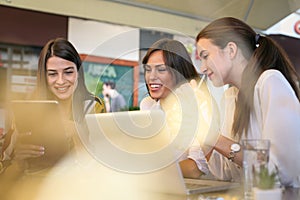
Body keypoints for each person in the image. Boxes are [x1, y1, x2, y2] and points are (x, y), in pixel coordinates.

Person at [195, 17, 300, 186]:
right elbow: (224, 172)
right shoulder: (230, 97)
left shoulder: (270, 82)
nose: (202, 68)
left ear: (231, 50)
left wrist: (214, 138)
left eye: (205, 56)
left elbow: (282, 174)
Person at [0, 38, 106, 197]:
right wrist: (19, 162)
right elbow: (6, 174)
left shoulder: (93, 108)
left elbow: (104, 168)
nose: (61, 81)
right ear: (44, 76)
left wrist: (77, 135)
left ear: (78, 72)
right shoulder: (29, 111)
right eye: (52, 74)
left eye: (68, 72)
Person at [140, 38, 219, 179]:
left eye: (161, 69)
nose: (152, 77)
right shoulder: (148, 105)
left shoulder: (200, 104)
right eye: (148, 70)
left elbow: (197, 167)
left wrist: (149, 173)